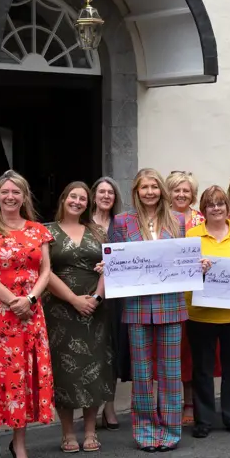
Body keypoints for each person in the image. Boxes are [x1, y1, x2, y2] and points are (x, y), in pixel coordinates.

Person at [0, 170, 54, 458]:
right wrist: (12, 301)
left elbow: (45, 270)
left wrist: (29, 300)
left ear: (24, 196)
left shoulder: (38, 231)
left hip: (30, 315)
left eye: (16, 192)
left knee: (24, 379)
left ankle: (19, 442)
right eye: (5, 192)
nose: (10, 197)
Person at [111, 168, 191, 452]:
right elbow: (116, 260)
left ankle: (170, 430)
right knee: (142, 374)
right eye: (144, 187)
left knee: (170, 373)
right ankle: (145, 430)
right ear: (136, 191)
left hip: (170, 304)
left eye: (154, 187)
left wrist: (199, 264)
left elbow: (184, 259)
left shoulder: (179, 220)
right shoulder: (122, 222)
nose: (149, 192)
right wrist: (107, 267)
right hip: (137, 306)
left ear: (161, 191)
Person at [45, 182, 111, 453]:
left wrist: (95, 298)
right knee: (65, 370)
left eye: (83, 198)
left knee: (94, 367)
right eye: (72, 196)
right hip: (60, 310)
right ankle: (68, 432)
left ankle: (91, 430)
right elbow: (43, 272)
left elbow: (111, 265)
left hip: (95, 309)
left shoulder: (97, 231)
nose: (77, 201)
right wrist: (73, 299)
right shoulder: (46, 232)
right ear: (63, 199)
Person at [186, 186, 230, 439]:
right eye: (211, 204)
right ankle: (203, 420)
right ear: (203, 210)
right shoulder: (192, 235)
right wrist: (197, 269)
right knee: (202, 368)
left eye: (220, 204)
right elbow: (182, 272)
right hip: (200, 314)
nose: (216, 208)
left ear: (228, 207)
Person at [165, 170, 214, 427]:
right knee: (173, 351)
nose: (181, 194)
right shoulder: (162, 219)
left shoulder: (200, 219)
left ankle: (191, 402)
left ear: (193, 194)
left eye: (186, 190)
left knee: (194, 352)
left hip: (198, 293)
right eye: (176, 190)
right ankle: (169, 402)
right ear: (169, 193)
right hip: (170, 291)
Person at [90, 176, 124, 429]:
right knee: (92, 351)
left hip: (115, 296)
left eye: (110, 193)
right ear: (94, 195)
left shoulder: (121, 224)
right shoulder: (83, 223)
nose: (105, 196)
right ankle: (89, 406)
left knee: (111, 351)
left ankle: (109, 406)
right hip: (86, 291)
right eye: (101, 192)